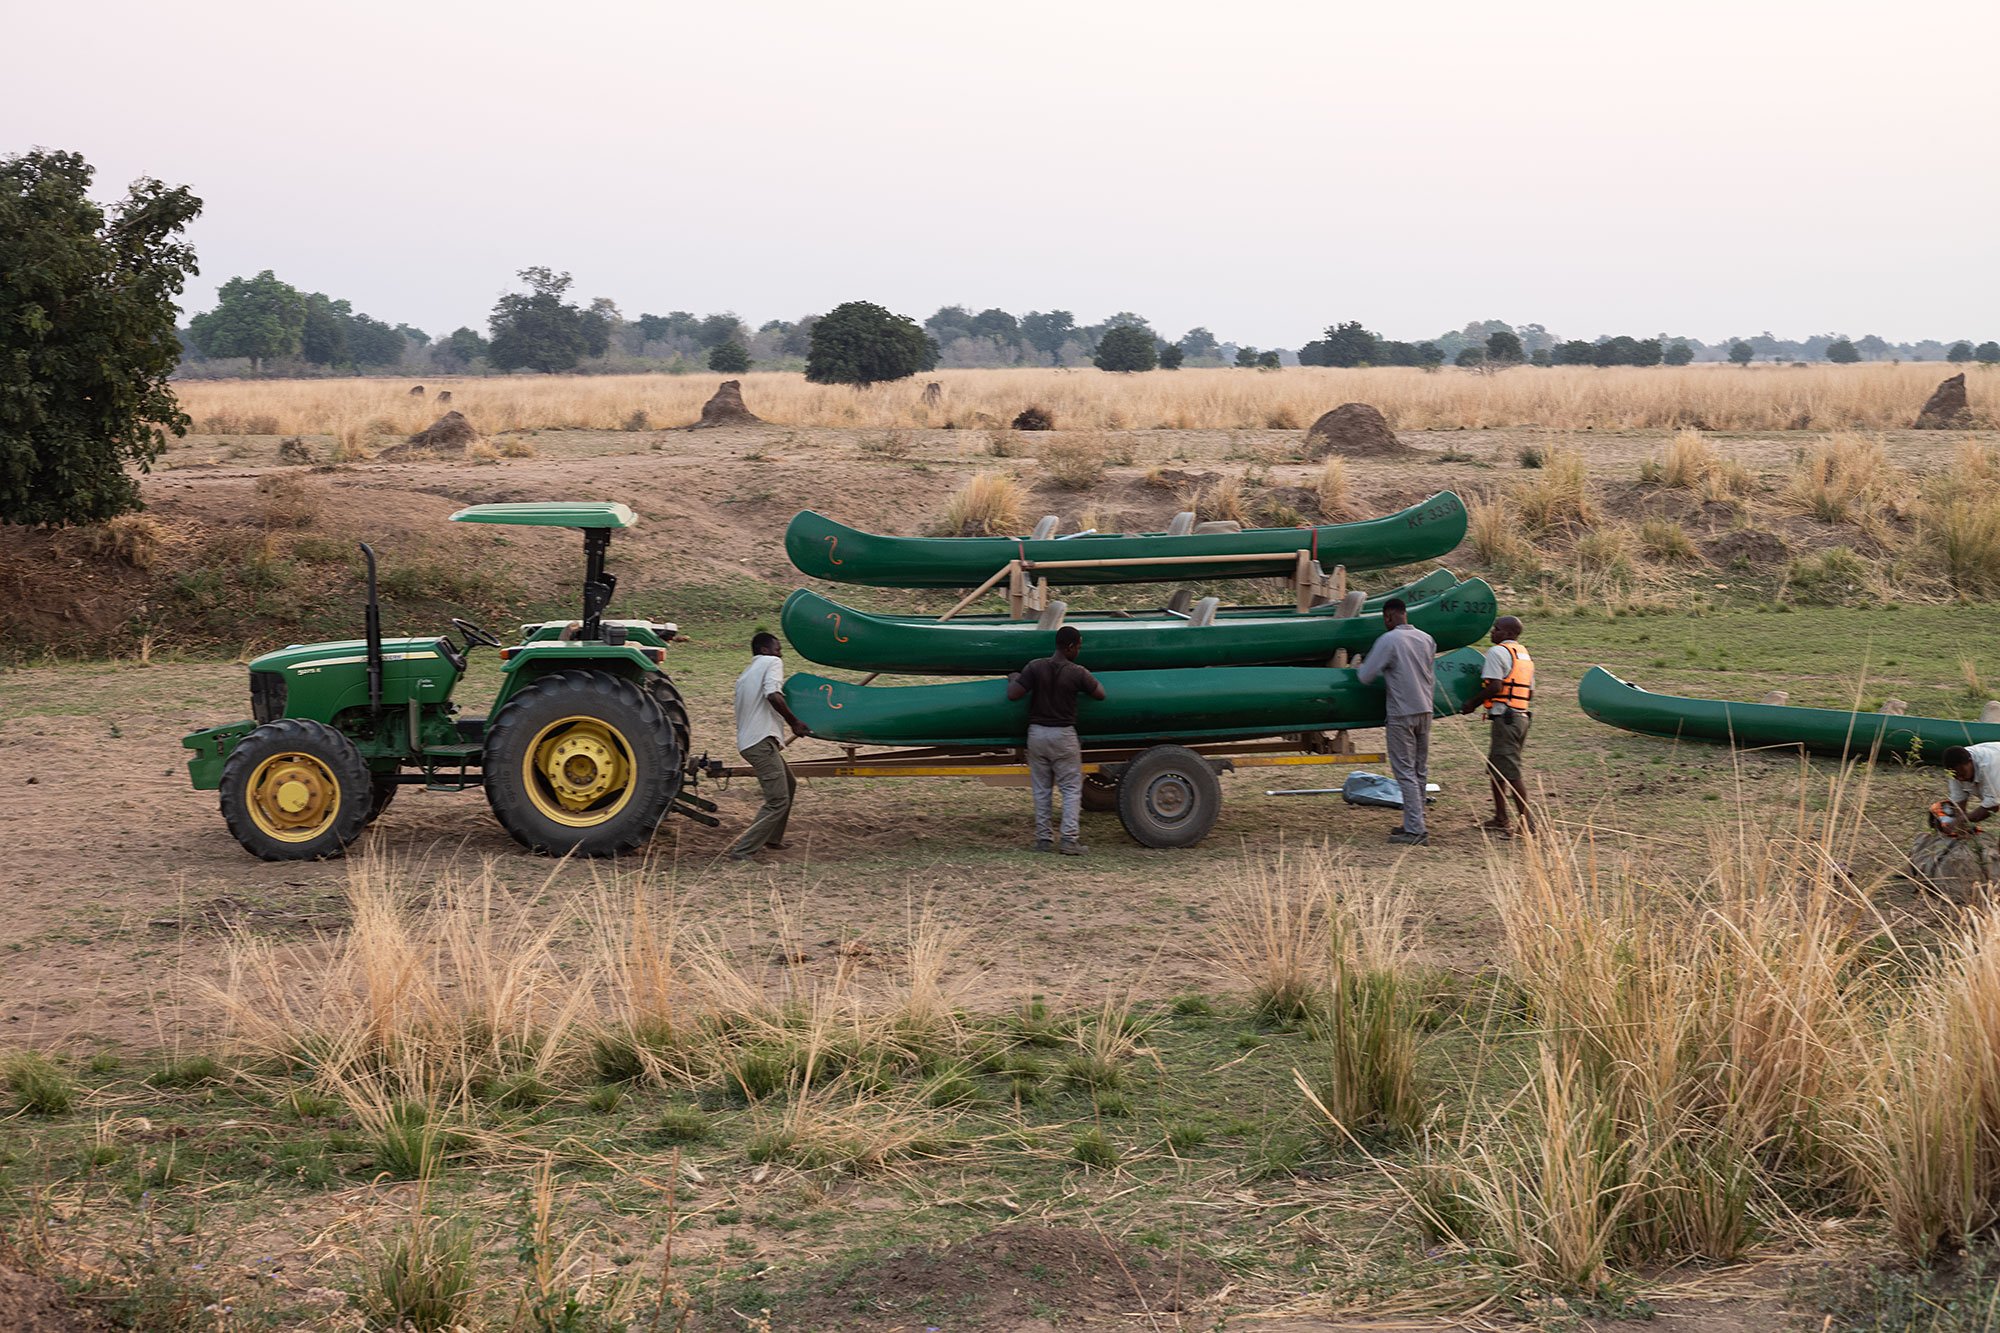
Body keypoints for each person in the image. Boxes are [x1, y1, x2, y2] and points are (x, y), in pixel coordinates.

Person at [1007, 624, 1106, 855]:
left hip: (1037, 735)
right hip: (1063, 736)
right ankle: (1069, 841)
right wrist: (1087, 679)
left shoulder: (1035, 666)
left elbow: (1013, 694)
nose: (1079, 651)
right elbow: (1101, 694)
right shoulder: (1077, 672)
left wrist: (1014, 677)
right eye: (1078, 647)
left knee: (1042, 789)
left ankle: (1044, 840)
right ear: (1070, 647)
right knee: (1071, 789)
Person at [1355, 597, 1437, 845]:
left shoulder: (1388, 640)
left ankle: (1415, 831)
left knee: (1404, 772)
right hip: (1426, 709)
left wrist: (1358, 663)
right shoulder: (1426, 638)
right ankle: (1416, 821)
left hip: (1402, 712)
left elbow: (1365, 676)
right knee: (1419, 770)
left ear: (1388, 617)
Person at [728, 632, 810, 862]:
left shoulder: (746, 674)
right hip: (759, 742)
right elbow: (773, 694)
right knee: (777, 800)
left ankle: (773, 839)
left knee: (789, 784)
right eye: (777, 649)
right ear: (765, 650)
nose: (780, 653)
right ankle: (742, 851)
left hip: (752, 741)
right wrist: (794, 722)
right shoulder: (772, 663)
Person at [1459, 615, 1535, 836]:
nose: (1492, 632)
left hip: (1506, 718)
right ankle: (1501, 818)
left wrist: (1472, 703)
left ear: (1508, 633)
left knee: (1511, 772)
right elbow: (1530, 691)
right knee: (1497, 770)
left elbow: (1495, 686)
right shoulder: (1524, 655)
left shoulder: (1497, 652)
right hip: (1521, 716)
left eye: (1497, 629)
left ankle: (1528, 825)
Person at [1941, 743, 2000, 832]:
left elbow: (1993, 806)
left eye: (1962, 773)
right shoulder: (1953, 771)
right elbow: (1958, 800)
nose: (1960, 779)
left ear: (1970, 761)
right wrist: (1959, 827)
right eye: (1956, 776)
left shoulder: (1987, 767)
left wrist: (1962, 820)